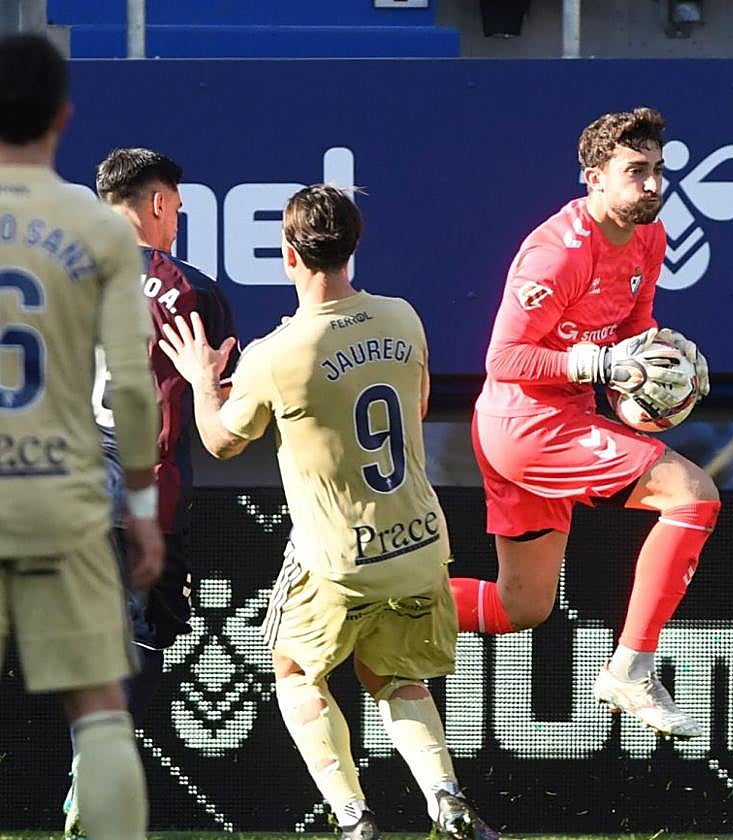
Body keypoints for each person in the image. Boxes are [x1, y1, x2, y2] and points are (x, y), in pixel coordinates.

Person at [158, 184, 499, 840]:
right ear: (354, 247)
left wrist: (204, 382)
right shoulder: (404, 318)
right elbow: (418, 405)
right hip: (421, 547)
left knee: (292, 671)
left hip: (337, 560)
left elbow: (223, 442)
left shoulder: (275, 355)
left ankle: (352, 815)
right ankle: (446, 796)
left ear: (288, 255)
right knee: (399, 680)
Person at [452, 107, 720, 740]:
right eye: (635, 172)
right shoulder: (556, 253)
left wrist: (668, 364)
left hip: (554, 416)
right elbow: (503, 358)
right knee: (693, 496)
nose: (652, 185)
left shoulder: (649, 237)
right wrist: (601, 362)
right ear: (594, 179)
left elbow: (633, 327)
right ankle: (631, 669)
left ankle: (373, 604)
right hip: (527, 424)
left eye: (658, 170)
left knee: (523, 605)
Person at [0, 32, 163, 840]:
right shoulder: (101, 232)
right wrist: (140, 504)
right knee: (98, 699)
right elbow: (131, 389)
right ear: (62, 116)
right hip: (65, 492)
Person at [63, 147, 240, 838]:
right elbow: (216, 402)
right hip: (149, 491)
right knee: (146, 636)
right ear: (159, 202)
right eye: (179, 208)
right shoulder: (189, 289)